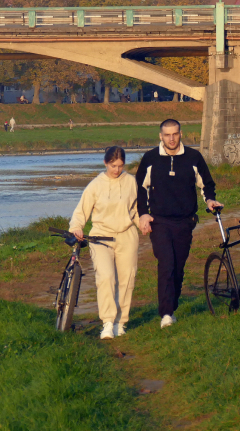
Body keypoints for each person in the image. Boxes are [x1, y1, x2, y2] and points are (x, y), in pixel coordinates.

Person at [136, 119, 222, 329]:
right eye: (167, 135)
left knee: (178, 266)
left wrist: (210, 200)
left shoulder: (194, 157)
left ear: (181, 134)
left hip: (185, 221)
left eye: (175, 134)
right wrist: (143, 215)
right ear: (160, 136)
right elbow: (139, 189)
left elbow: (206, 184)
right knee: (166, 263)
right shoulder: (150, 159)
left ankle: (171, 307)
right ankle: (165, 314)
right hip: (160, 221)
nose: (171, 139)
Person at [69, 146, 141, 340]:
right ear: (105, 163)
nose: (116, 170)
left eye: (120, 166)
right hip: (100, 237)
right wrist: (77, 227)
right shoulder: (95, 185)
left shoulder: (131, 182)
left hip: (127, 236)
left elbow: (137, 210)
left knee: (127, 279)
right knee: (106, 277)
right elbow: (81, 211)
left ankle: (121, 322)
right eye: (112, 165)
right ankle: (108, 323)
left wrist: (143, 221)